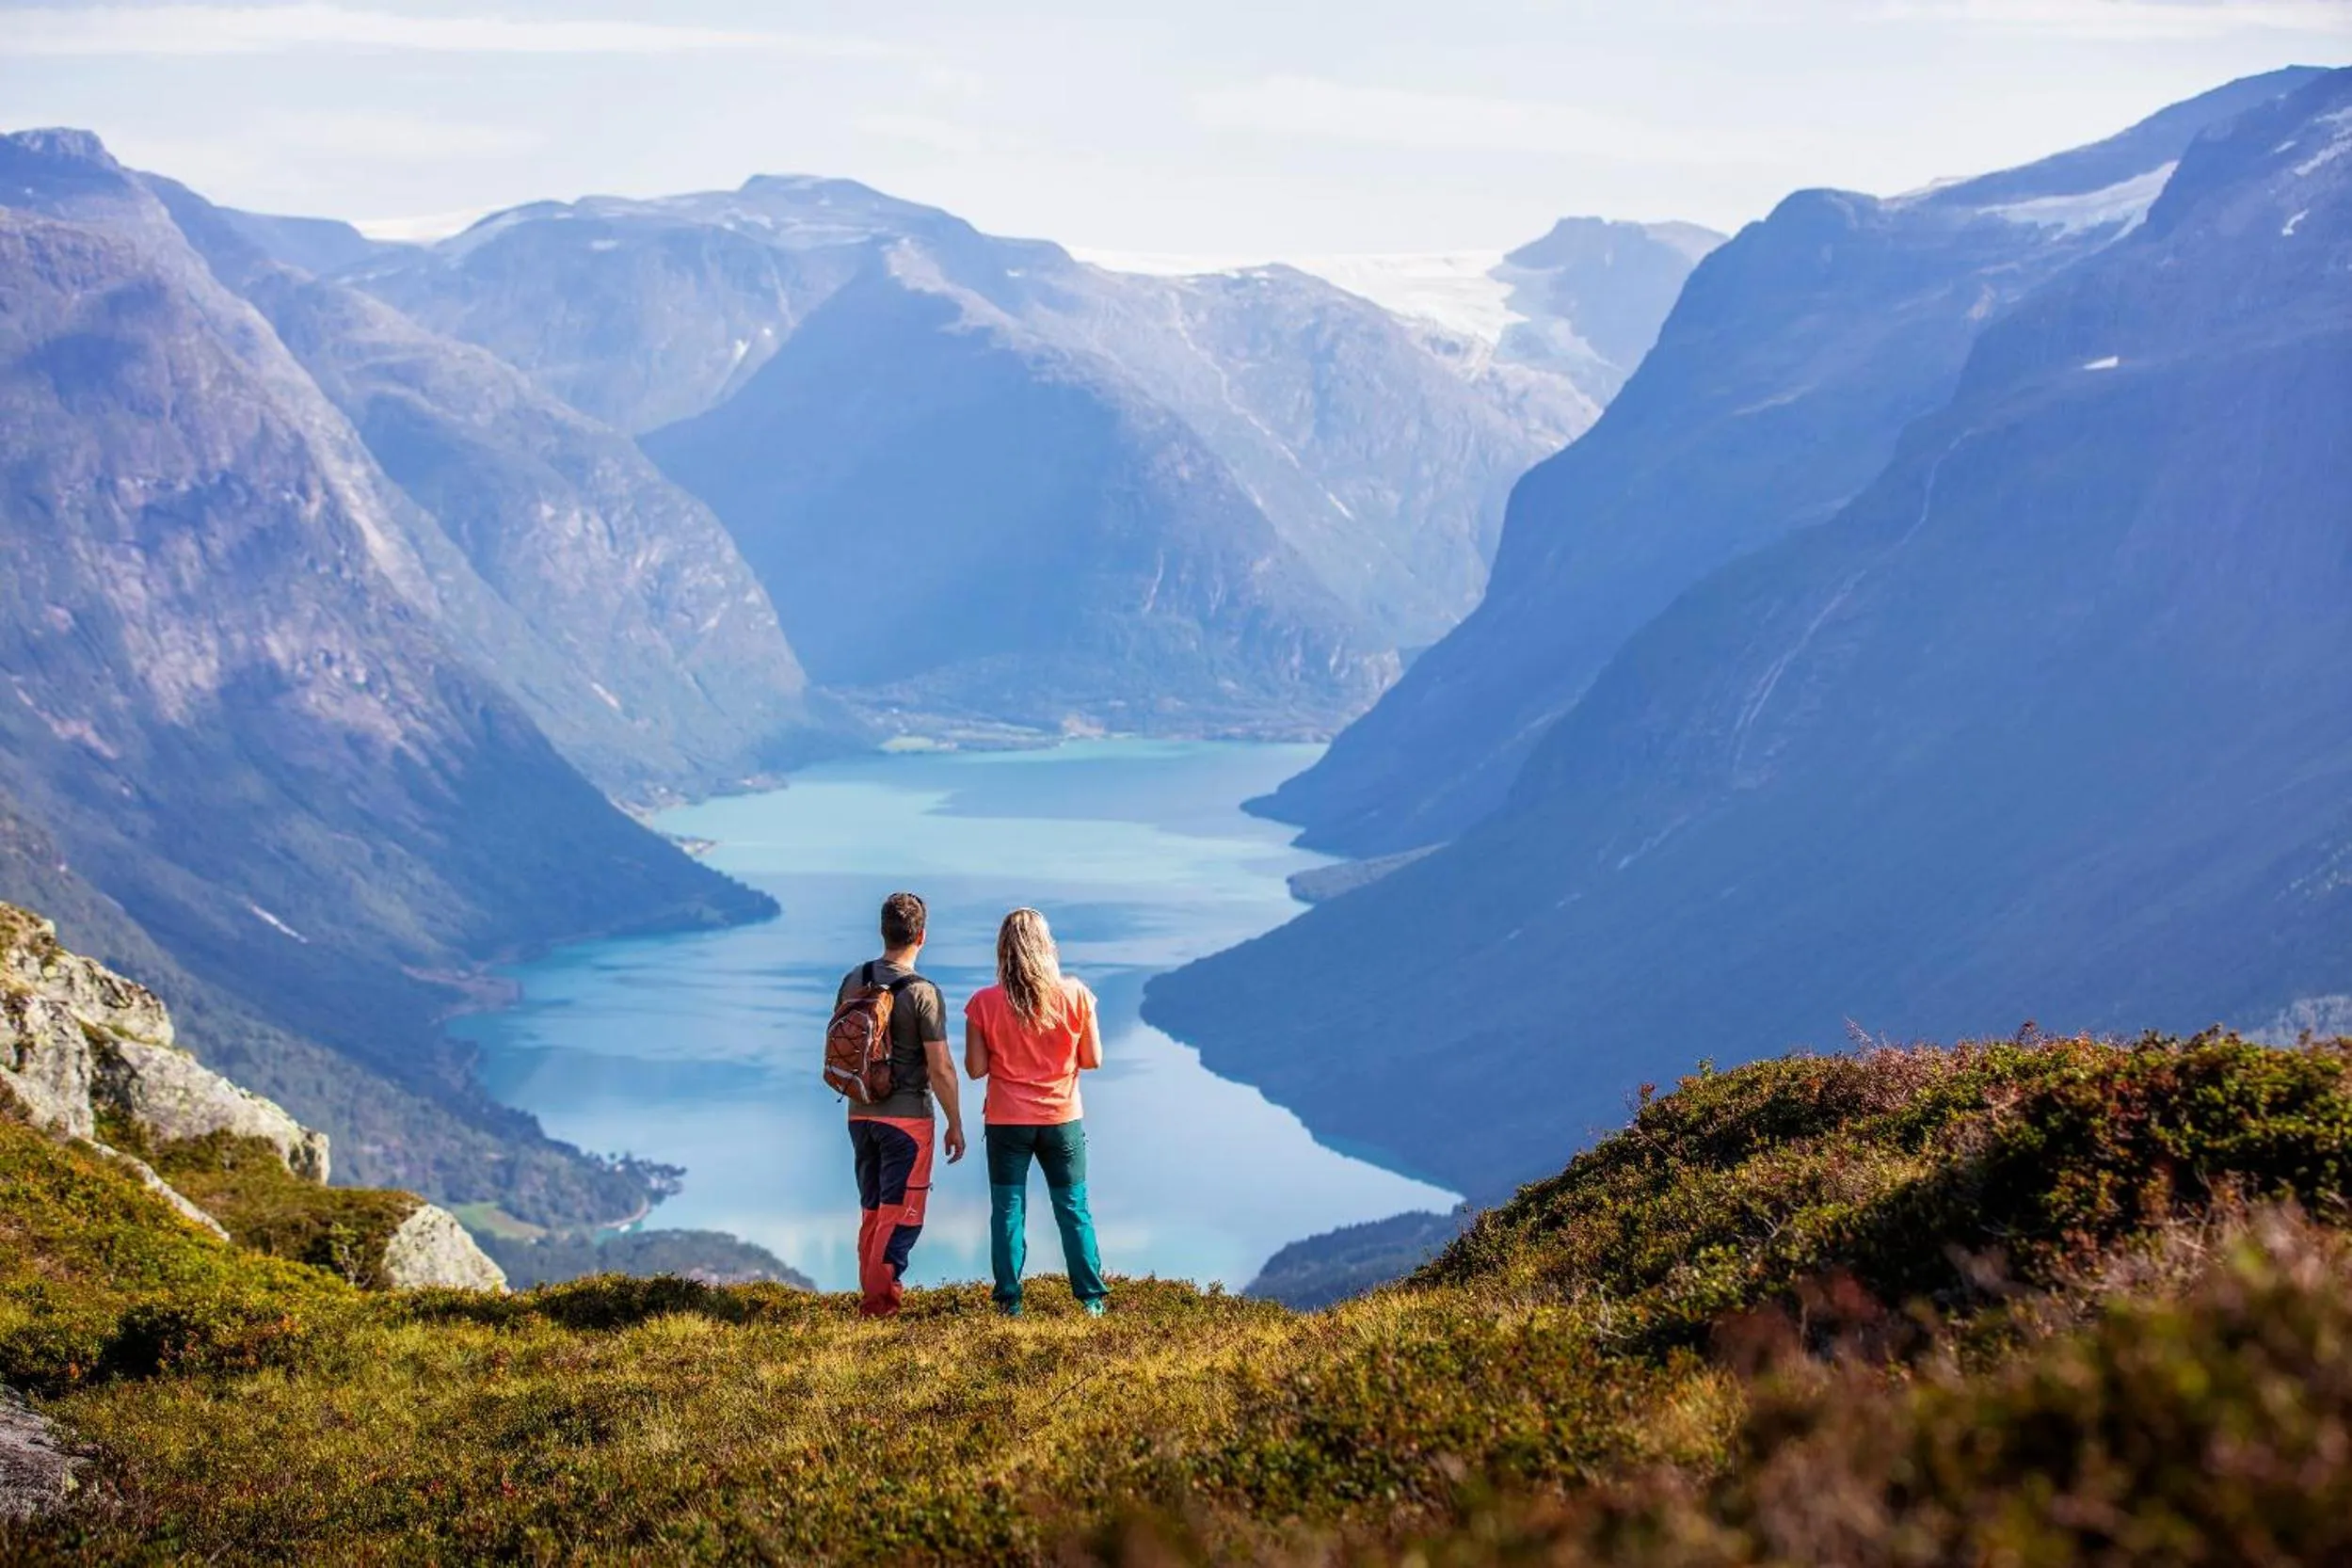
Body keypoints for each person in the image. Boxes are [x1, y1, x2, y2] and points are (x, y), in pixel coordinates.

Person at [964, 906, 1109, 1317]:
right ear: (1047, 946)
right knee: (1073, 1208)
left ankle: (1010, 1301)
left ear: (1003, 950)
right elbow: (1093, 1058)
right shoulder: (1077, 994)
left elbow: (975, 1069)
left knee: (1008, 1211)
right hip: (1062, 1119)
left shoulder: (983, 1003)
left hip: (1007, 1121)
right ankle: (1091, 1301)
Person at [839, 890, 965, 1319]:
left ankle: (872, 1297)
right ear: (922, 936)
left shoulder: (855, 979)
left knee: (873, 1210)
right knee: (901, 1215)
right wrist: (955, 1122)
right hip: (907, 1120)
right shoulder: (924, 993)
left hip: (860, 1113)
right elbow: (942, 1067)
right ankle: (878, 1308)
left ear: (882, 931)